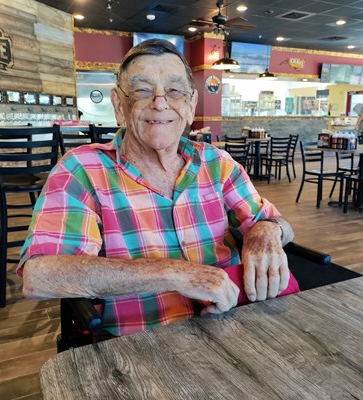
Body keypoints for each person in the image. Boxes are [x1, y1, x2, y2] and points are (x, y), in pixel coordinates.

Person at [18, 39, 298, 338]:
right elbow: (41, 276)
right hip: (140, 346)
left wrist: (265, 231)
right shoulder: (82, 169)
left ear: (191, 105)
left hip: (234, 326)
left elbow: (279, 224)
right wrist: (173, 273)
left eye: (175, 90)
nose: (160, 103)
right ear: (119, 105)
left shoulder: (218, 163)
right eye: (142, 90)